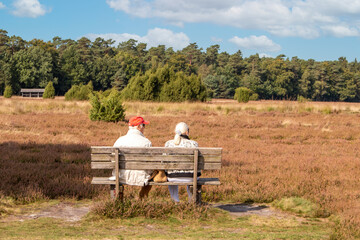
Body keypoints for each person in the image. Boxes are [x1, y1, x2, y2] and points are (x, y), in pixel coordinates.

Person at [111, 116, 153, 199]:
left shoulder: (119, 140)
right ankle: (142, 198)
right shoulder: (146, 142)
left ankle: (119, 200)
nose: (144, 128)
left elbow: (112, 161)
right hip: (141, 177)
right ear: (138, 127)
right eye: (143, 125)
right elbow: (149, 165)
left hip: (120, 175)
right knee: (153, 174)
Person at [165, 122, 200, 202]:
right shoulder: (194, 144)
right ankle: (191, 200)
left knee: (170, 173)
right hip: (191, 177)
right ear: (187, 132)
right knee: (192, 173)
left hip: (172, 177)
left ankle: (175, 200)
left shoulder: (168, 144)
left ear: (175, 132)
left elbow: (164, 161)